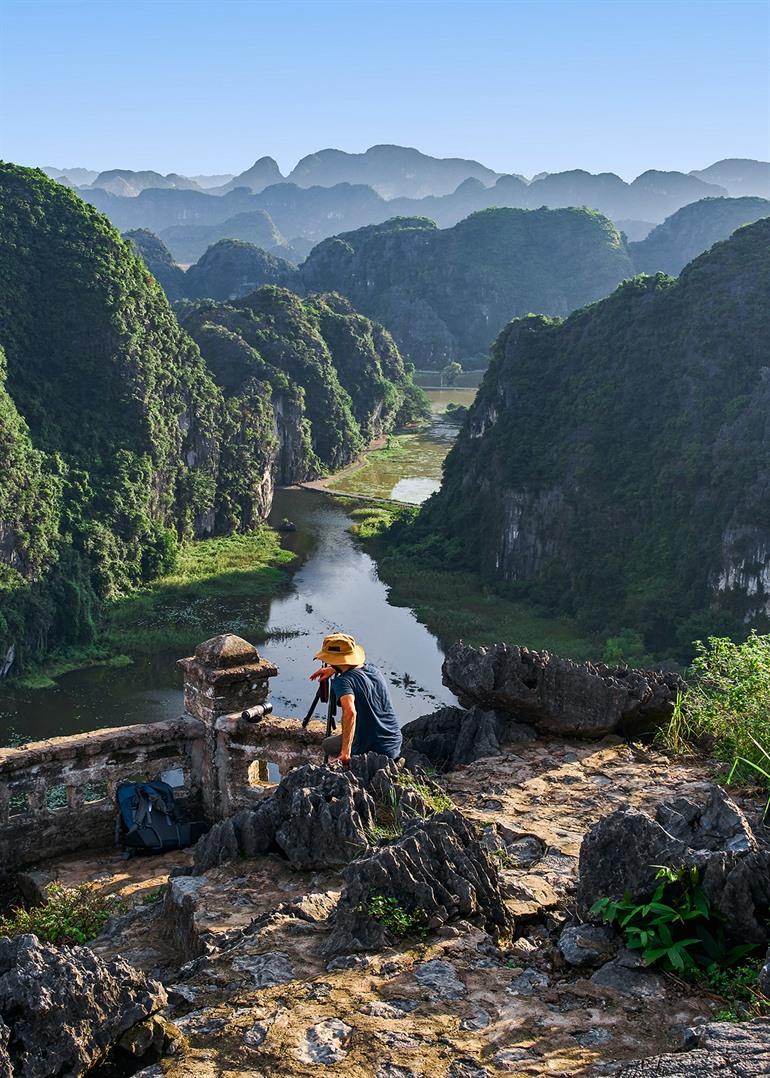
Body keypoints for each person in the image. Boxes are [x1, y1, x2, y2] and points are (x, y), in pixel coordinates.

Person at [310, 632, 402, 764]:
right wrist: (334, 669)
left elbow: (350, 712)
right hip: (393, 743)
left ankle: (357, 760)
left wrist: (345, 752)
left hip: (374, 750)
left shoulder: (343, 681)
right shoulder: (373, 670)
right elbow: (353, 670)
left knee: (328, 745)